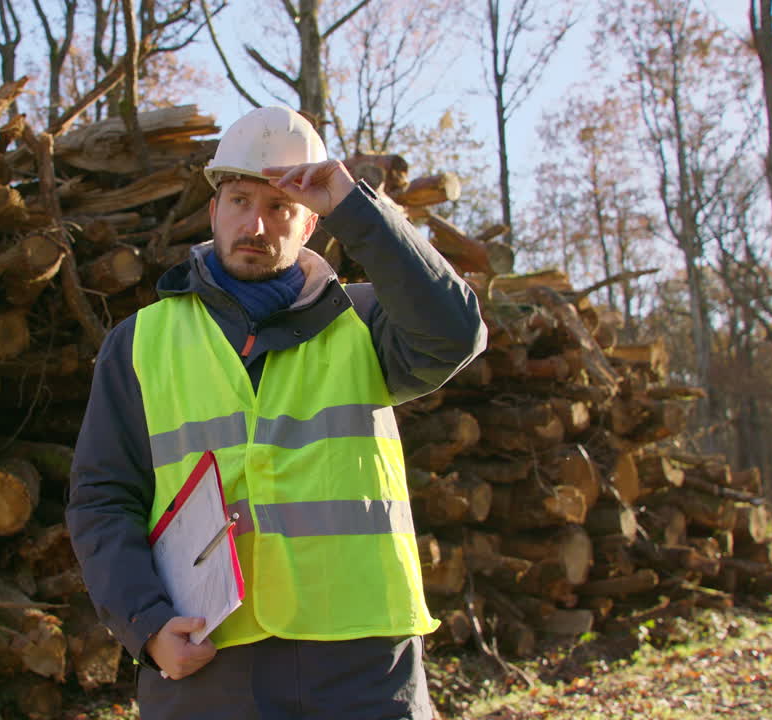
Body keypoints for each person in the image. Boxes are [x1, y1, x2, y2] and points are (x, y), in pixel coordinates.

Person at [66, 106, 487, 720]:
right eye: (239, 200)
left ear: (313, 222)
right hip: (209, 661)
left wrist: (356, 202)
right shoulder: (138, 343)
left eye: (279, 207)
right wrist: (147, 624)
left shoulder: (365, 321)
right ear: (214, 211)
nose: (255, 224)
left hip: (361, 662)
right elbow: (101, 499)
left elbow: (455, 333)